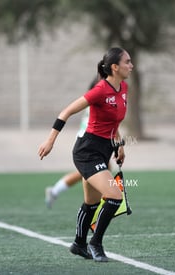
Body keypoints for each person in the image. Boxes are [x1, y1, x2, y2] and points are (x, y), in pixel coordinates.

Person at [38, 47, 133, 262]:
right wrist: (50, 140)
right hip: (87, 151)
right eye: (127, 62)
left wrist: (120, 145)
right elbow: (66, 112)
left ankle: (78, 244)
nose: (131, 65)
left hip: (105, 149)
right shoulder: (99, 90)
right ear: (115, 67)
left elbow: (113, 122)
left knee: (92, 202)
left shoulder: (124, 88)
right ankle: (95, 243)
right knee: (114, 197)